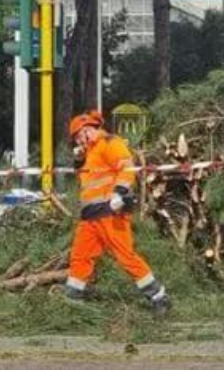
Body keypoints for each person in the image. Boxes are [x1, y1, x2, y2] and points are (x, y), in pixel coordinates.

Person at [64, 110, 171, 315]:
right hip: (90, 215)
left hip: (110, 211)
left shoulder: (110, 142)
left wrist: (120, 193)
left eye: (79, 136)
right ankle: (72, 300)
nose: (78, 141)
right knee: (80, 256)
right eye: (76, 139)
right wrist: (78, 159)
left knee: (125, 256)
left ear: (88, 130)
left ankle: (159, 297)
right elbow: (87, 178)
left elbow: (126, 167)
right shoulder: (90, 152)